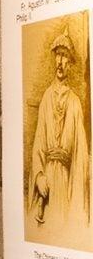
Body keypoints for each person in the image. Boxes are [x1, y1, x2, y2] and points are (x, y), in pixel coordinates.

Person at [32, 30, 90, 228]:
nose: (60, 61)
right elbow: (39, 142)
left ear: (70, 64)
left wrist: (76, 198)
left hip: (65, 183)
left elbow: (80, 155)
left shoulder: (75, 103)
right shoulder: (46, 98)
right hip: (47, 180)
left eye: (65, 56)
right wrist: (39, 176)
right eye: (58, 54)